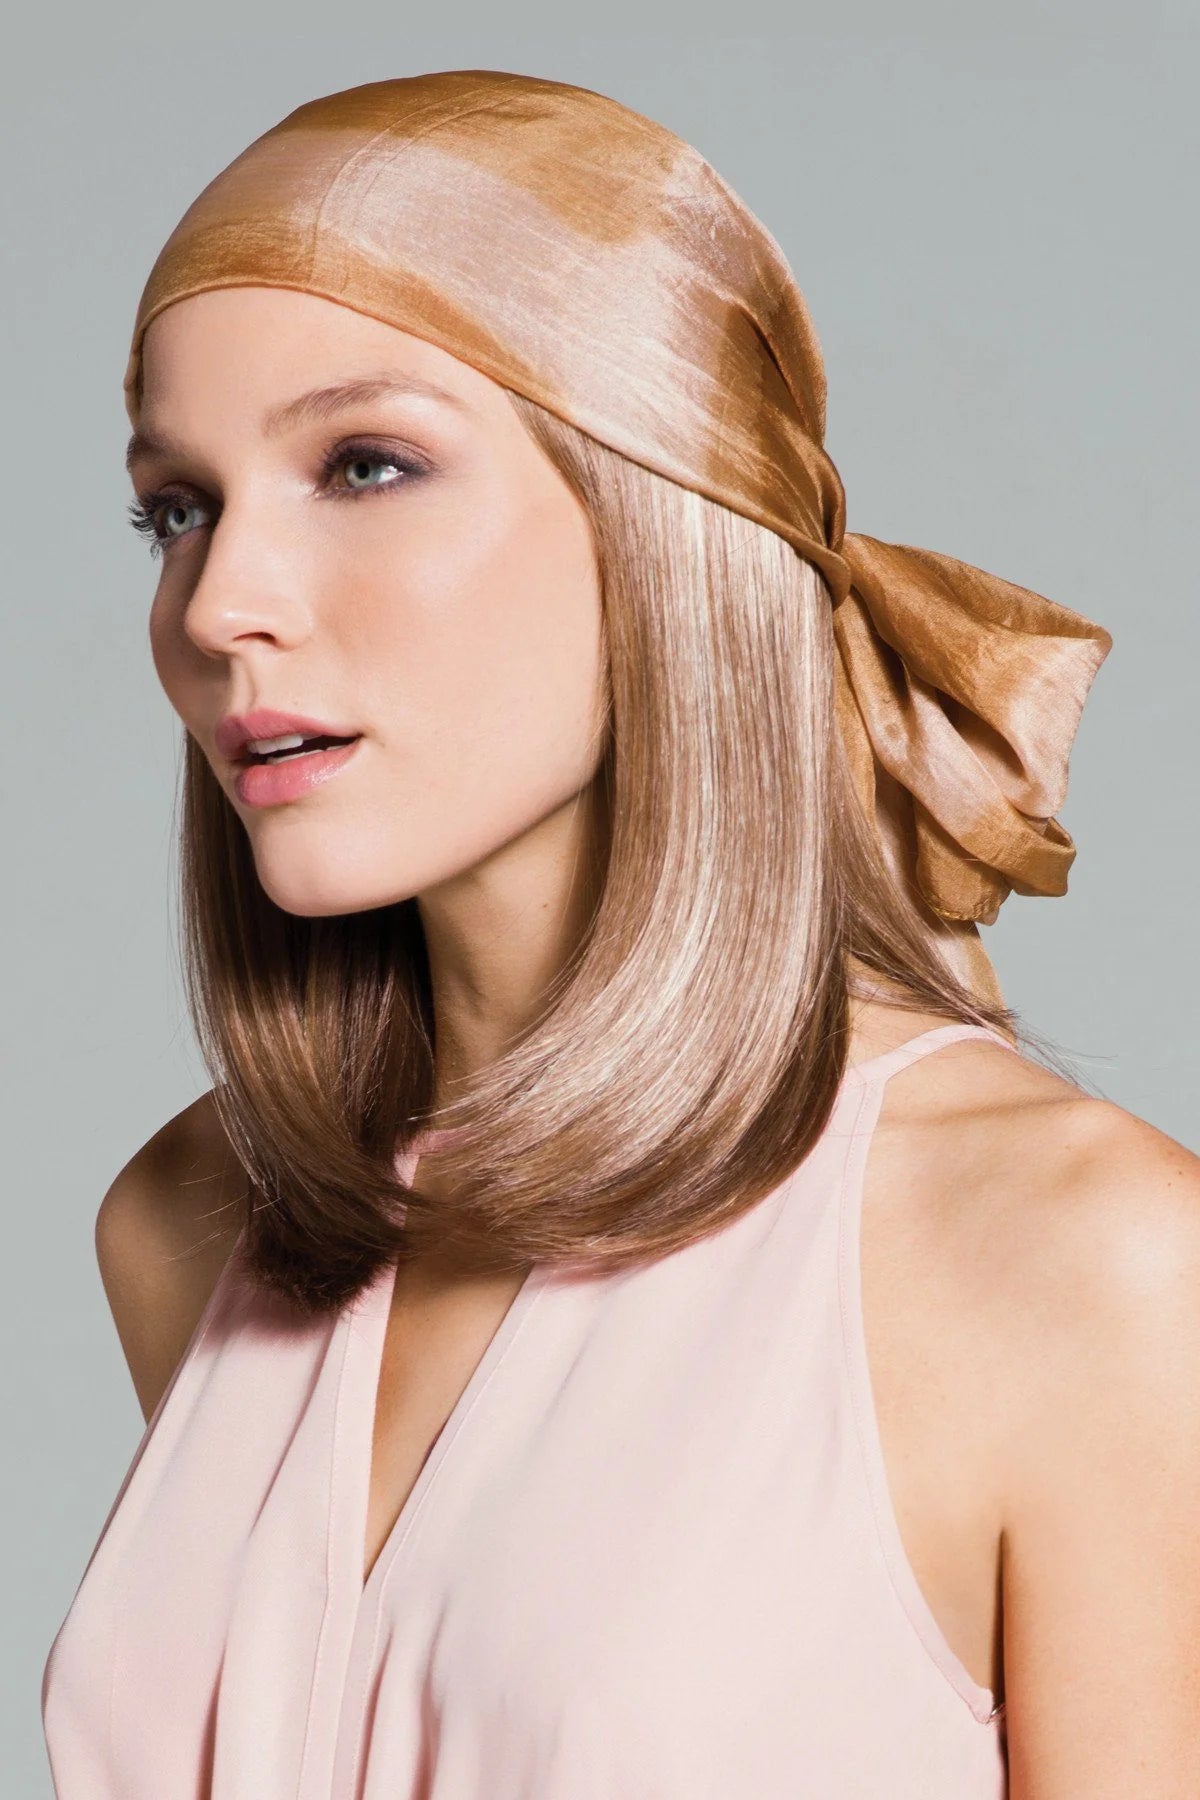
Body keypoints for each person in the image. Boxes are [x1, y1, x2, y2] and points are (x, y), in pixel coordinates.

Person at [41, 69, 1199, 1796]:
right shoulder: (192, 1221)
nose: (218, 607)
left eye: (365, 465)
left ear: (664, 510)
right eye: (178, 505)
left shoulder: (1080, 1261)